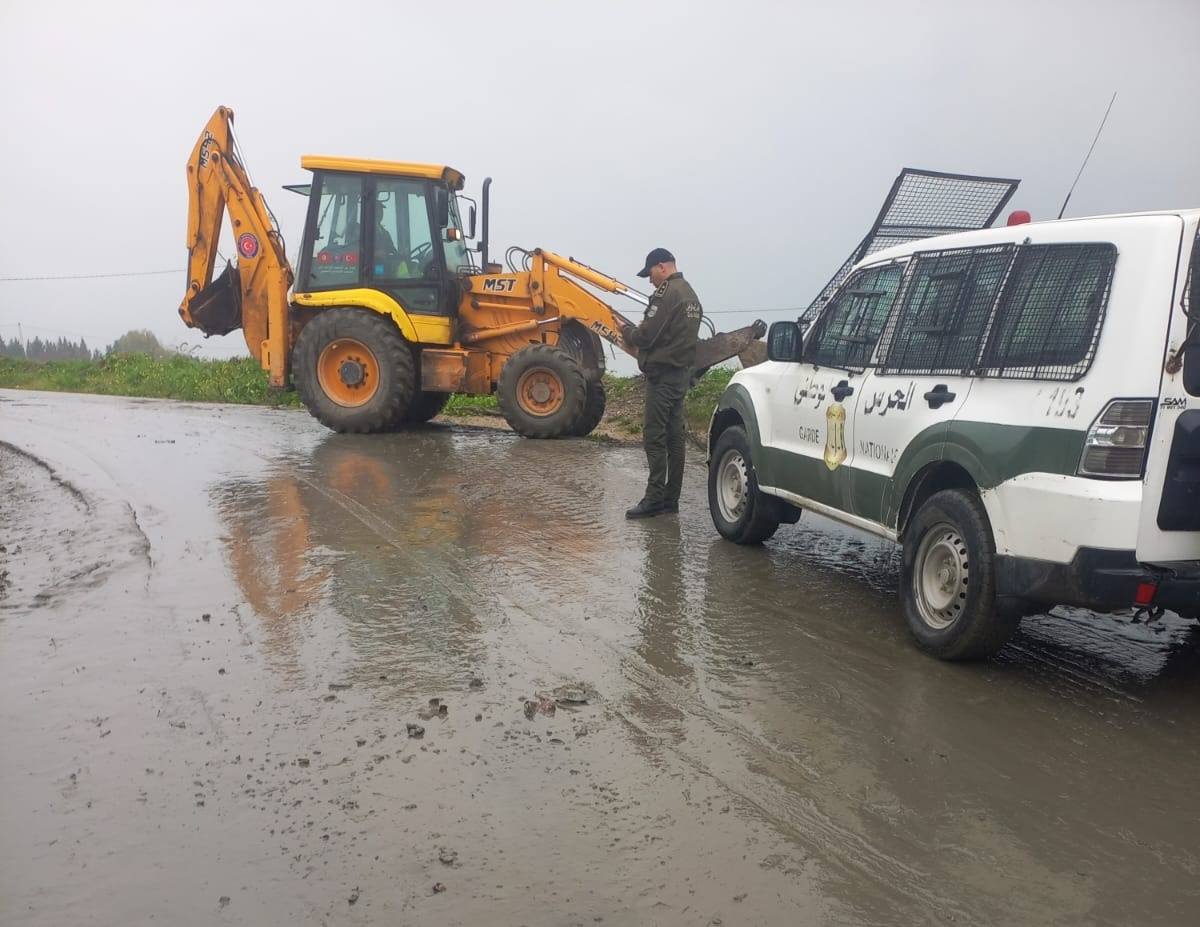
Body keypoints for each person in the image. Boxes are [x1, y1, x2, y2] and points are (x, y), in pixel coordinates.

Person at [621, 248, 703, 520]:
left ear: (662, 267)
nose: (650, 280)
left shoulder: (667, 294)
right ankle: (670, 500)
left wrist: (627, 331)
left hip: (663, 377)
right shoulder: (690, 294)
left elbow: (646, 335)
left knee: (654, 436)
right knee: (674, 437)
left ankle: (654, 498)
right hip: (680, 376)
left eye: (650, 273)